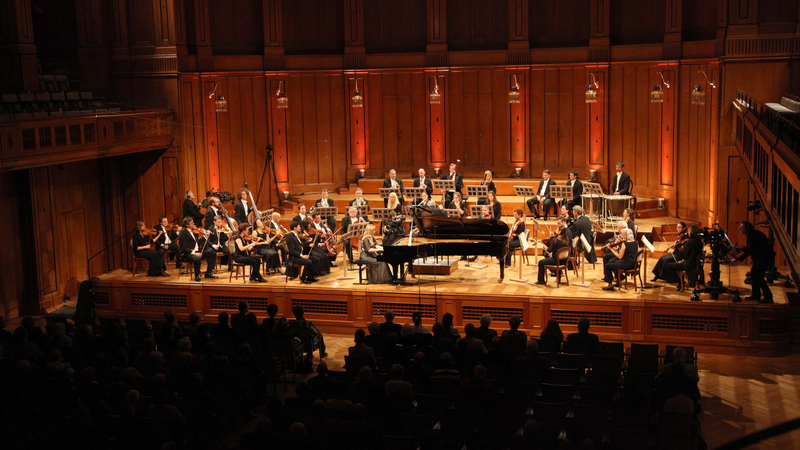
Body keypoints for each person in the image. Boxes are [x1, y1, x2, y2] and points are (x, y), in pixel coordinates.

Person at [736, 221, 775, 303]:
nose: (739, 228)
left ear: (746, 228)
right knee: (753, 275)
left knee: (759, 277)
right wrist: (741, 249)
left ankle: (768, 297)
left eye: (741, 227)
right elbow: (753, 247)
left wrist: (738, 259)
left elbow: (751, 250)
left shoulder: (752, 236)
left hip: (763, 258)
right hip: (761, 257)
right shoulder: (752, 234)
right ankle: (756, 295)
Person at [178, 217, 216, 281]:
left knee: (212, 253)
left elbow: (197, 242)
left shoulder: (193, 231)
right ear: (187, 225)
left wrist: (206, 236)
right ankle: (197, 275)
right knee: (197, 258)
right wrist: (195, 253)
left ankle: (208, 273)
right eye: (192, 223)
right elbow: (183, 247)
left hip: (197, 251)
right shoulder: (183, 233)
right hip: (187, 253)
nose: (194, 224)